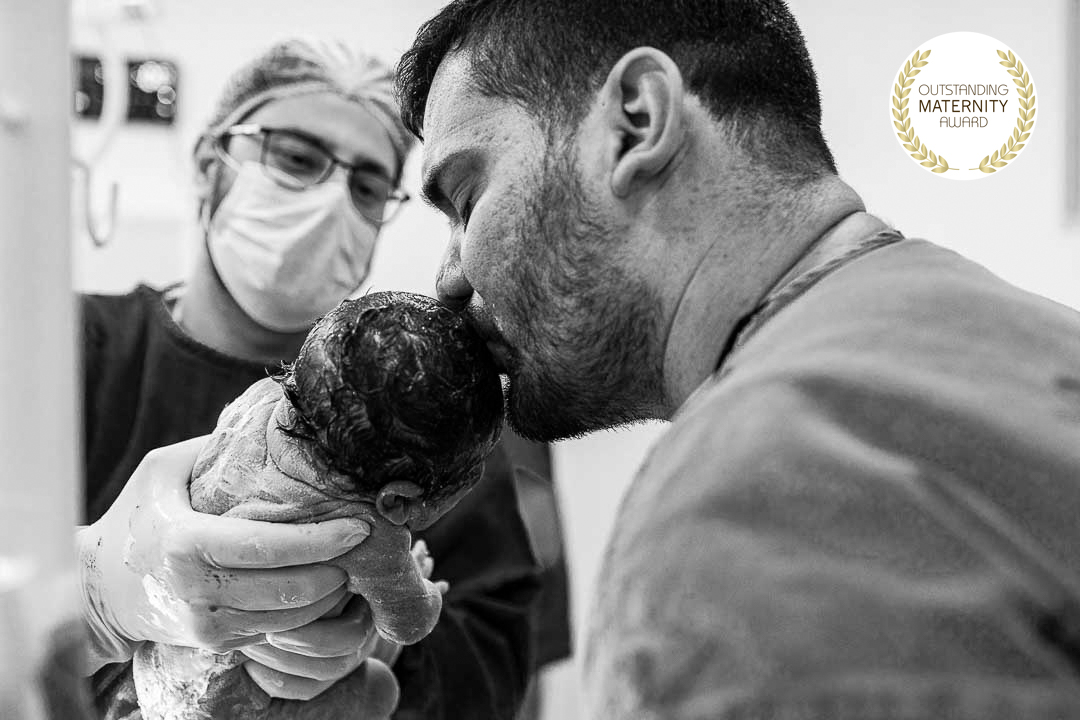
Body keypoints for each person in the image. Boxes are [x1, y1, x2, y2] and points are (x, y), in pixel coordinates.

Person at [395, 1, 1080, 718]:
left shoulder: (763, 500)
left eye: (466, 200)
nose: (449, 279)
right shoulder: (1020, 342)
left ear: (636, 121)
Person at [77, 38, 565, 720]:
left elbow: (496, 672)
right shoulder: (69, 352)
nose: (332, 198)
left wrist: (379, 652)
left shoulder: (443, 421)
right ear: (211, 167)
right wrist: (95, 600)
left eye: (367, 186)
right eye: (297, 158)